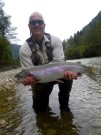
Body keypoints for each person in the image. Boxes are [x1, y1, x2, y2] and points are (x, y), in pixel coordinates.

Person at [19, 11, 77, 112]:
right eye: (33, 22)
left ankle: (64, 108)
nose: (37, 24)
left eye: (39, 22)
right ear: (29, 26)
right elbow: (27, 72)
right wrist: (28, 81)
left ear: (44, 25)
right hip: (40, 80)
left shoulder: (56, 40)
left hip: (59, 73)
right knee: (40, 111)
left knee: (67, 77)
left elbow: (59, 62)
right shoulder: (24, 49)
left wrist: (74, 72)